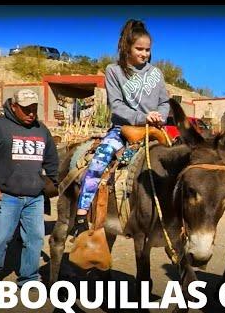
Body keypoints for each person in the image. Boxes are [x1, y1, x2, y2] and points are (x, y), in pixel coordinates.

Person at [70, 19, 170, 236]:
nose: (144, 54)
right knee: (98, 162)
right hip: (123, 130)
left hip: (154, 130)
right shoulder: (114, 71)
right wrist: (143, 116)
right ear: (127, 48)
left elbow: (164, 102)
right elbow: (116, 106)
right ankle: (81, 213)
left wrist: (160, 116)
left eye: (148, 50)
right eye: (139, 49)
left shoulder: (156, 73)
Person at [0, 89, 59, 292]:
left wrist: (53, 183)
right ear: (13, 106)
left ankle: (29, 277)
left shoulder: (41, 130)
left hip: (34, 197)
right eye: (26, 109)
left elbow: (51, 159)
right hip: (6, 195)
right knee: (0, 236)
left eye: (34, 108)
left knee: (34, 238)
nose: (31, 113)